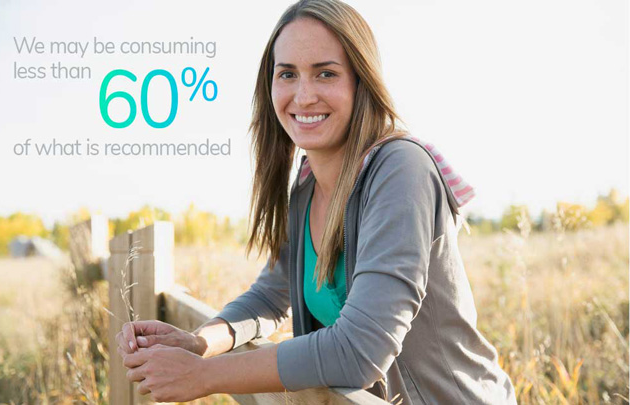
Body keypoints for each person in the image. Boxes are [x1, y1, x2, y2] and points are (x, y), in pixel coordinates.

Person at [116, 0, 517, 403]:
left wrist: (204, 376)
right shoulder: (306, 186)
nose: (304, 96)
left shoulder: (401, 170)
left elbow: (361, 350)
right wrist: (200, 343)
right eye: (287, 74)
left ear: (361, 82)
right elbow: (271, 296)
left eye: (325, 73)